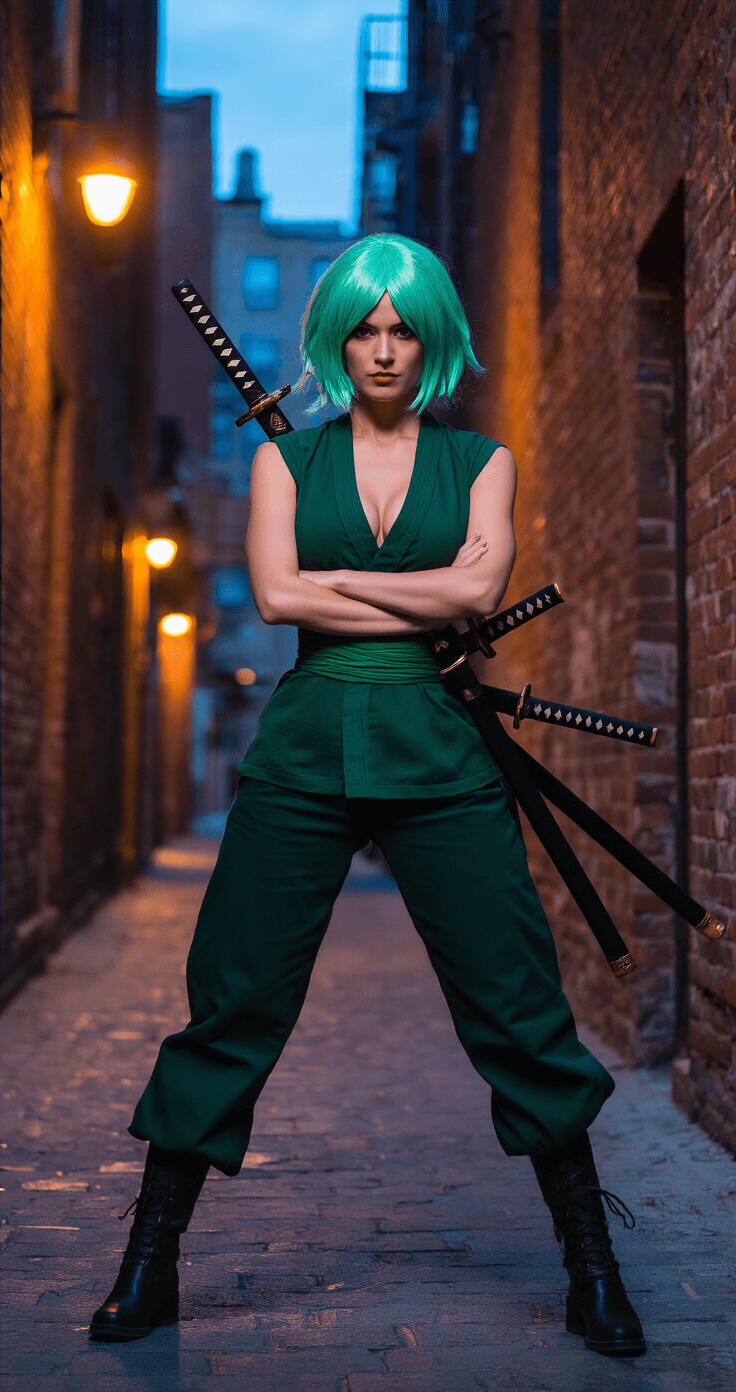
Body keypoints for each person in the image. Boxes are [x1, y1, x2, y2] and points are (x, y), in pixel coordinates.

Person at [90, 234, 645, 1356]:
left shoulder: (481, 461)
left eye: (401, 328)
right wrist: (406, 596)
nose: (383, 349)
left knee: (515, 998)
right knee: (234, 996)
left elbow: (476, 587)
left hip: (439, 753)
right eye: (362, 328)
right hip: (303, 751)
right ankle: (150, 1261)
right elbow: (279, 595)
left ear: (430, 337)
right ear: (336, 339)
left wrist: (333, 581)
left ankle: (594, 1261)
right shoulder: (280, 465)